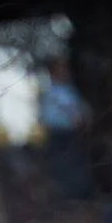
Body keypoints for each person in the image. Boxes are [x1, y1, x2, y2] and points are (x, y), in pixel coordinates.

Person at [38, 59, 93, 202]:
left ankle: (81, 197)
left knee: (77, 166)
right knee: (65, 167)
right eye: (61, 70)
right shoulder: (51, 93)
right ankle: (69, 198)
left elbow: (82, 111)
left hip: (73, 134)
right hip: (60, 136)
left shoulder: (69, 91)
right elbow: (49, 118)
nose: (65, 73)